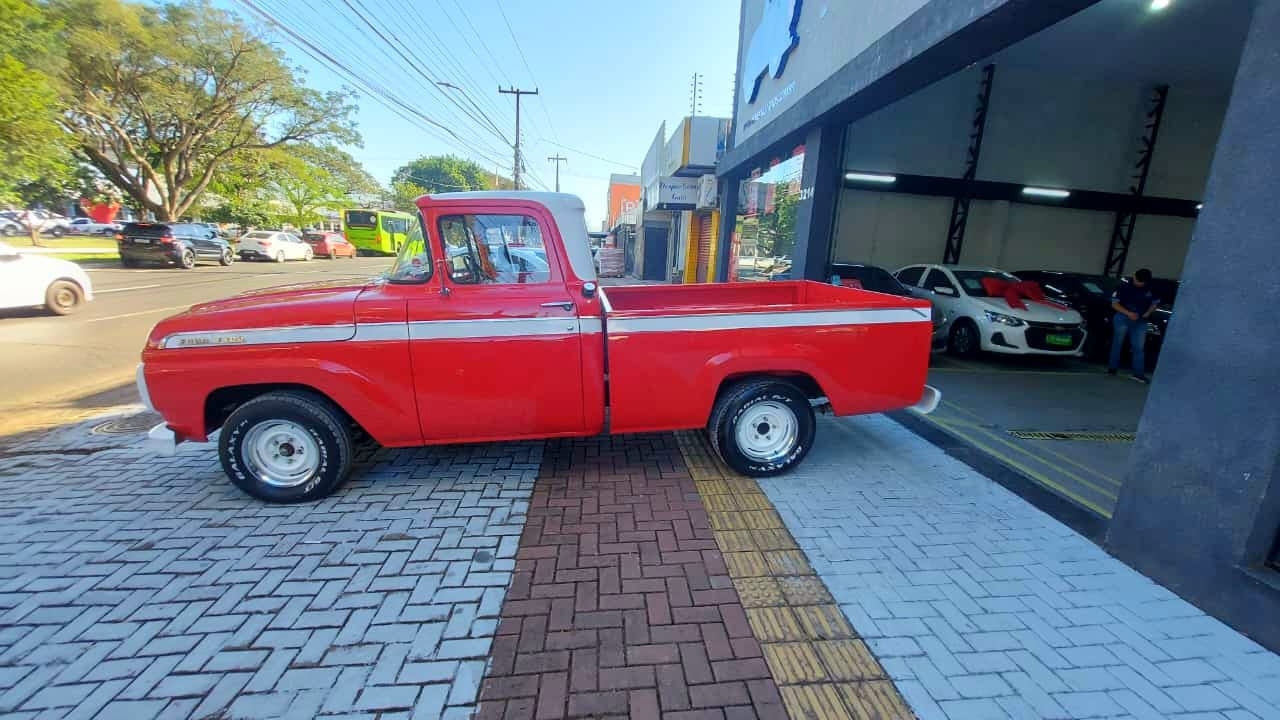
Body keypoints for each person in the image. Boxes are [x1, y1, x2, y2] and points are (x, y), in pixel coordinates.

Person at [1107, 268, 1160, 383]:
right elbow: (1114, 304)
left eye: (1141, 282)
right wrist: (1128, 313)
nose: (1138, 283)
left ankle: (1138, 373)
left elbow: (1154, 303)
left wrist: (1148, 313)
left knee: (1139, 347)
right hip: (1122, 318)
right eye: (1137, 281)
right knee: (1118, 343)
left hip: (1141, 321)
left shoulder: (1151, 289)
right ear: (1134, 277)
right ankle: (1112, 368)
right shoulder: (1124, 287)